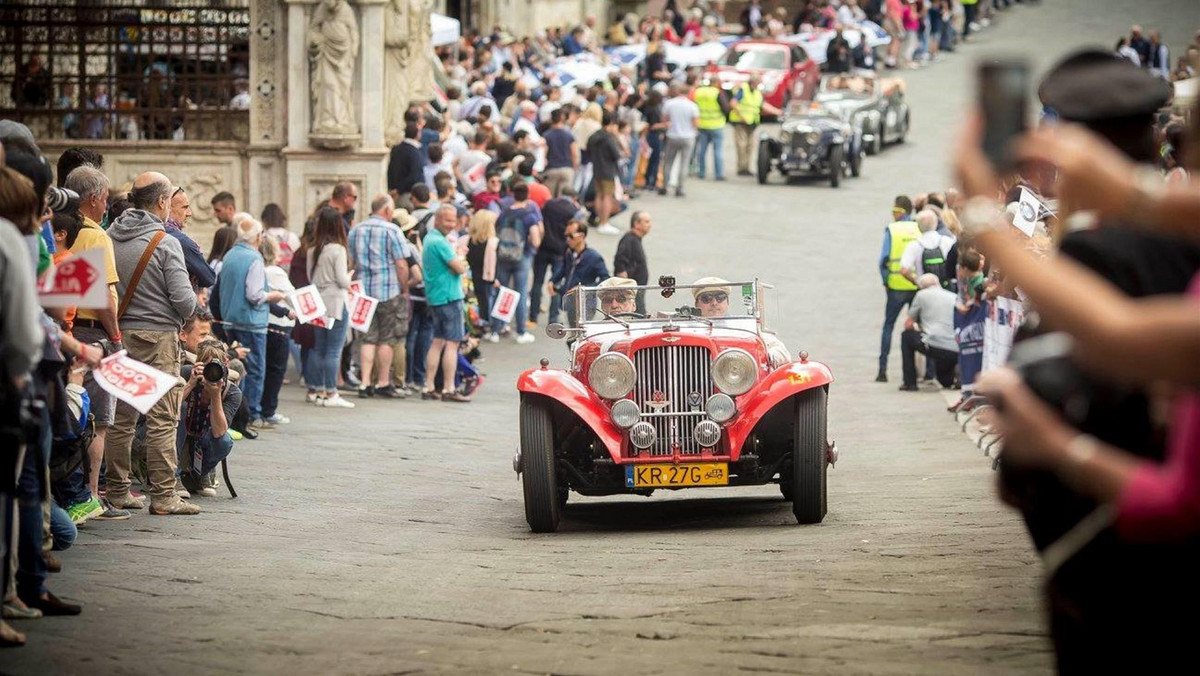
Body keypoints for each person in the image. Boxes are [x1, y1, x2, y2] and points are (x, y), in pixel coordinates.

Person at [105, 172, 199, 515]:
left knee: (122, 418)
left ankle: (117, 490)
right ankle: (163, 495)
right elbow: (185, 303)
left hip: (120, 336)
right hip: (159, 340)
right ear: (162, 202)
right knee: (162, 417)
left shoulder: (109, 236)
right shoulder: (165, 242)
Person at [61, 166, 127, 518]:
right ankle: (89, 496)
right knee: (98, 420)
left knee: (69, 412)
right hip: (93, 332)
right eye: (103, 198)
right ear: (93, 199)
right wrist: (114, 337)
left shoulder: (59, 230)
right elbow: (104, 296)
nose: (106, 205)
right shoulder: (96, 236)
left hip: (66, 328)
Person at [217, 217, 286, 429]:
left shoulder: (229, 255)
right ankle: (252, 413)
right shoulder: (254, 259)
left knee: (240, 369)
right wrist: (272, 295)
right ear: (257, 237)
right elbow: (254, 295)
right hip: (252, 322)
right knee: (255, 370)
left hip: (230, 319)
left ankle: (237, 413)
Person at [347, 194, 410, 399]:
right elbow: (401, 264)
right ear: (387, 210)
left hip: (364, 293)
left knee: (367, 339)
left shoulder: (356, 230)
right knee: (387, 338)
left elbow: (351, 263)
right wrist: (404, 287)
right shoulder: (392, 230)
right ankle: (383, 381)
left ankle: (365, 382)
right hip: (388, 290)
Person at [305, 206, 354, 408]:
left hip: (319, 302)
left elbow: (310, 277)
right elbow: (342, 280)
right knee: (334, 350)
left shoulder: (312, 249)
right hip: (335, 301)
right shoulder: (338, 249)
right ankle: (331, 391)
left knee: (319, 348)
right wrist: (351, 277)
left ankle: (317, 389)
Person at [422, 205, 471, 402]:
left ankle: (429, 385)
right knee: (452, 343)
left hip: (435, 297)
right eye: (448, 220)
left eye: (453, 220)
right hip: (449, 297)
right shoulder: (440, 243)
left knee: (437, 341)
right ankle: (449, 388)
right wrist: (458, 261)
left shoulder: (428, 238)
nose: (451, 225)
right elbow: (459, 267)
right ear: (438, 220)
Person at [176, 340, 238, 495]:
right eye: (207, 367)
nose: (212, 372)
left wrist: (215, 395)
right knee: (182, 407)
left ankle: (199, 475)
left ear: (226, 365)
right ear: (198, 365)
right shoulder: (187, 373)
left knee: (225, 441)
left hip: (202, 441)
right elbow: (169, 410)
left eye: (216, 367)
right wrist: (190, 384)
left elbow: (219, 433)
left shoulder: (232, 392)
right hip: (177, 437)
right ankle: (173, 476)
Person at [492, 182, 543, 343]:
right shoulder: (529, 214)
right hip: (522, 257)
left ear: (513, 194)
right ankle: (521, 331)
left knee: (502, 292)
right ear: (528, 195)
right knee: (520, 293)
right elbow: (535, 239)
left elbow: (496, 229)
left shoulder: (504, 212)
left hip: (503, 256)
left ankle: (495, 329)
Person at [876, 195, 919, 382]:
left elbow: (883, 261)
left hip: (895, 286)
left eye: (895, 212)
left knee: (888, 326)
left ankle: (882, 370)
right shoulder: (920, 227)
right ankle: (924, 373)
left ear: (901, 212)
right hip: (916, 285)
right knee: (920, 326)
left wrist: (886, 281)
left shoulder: (892, 230)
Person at [898, 273, 957, 391]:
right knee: (945, 382)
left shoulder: (921, 295)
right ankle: (954, 379)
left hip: (933, 345)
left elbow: (908, 324)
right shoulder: (953, 296)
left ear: (921, 287)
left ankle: (910, 383)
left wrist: (919, 327)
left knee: (906, 336)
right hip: (954, 348)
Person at [551, 220, 610, 325]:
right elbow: (564, 270)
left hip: (585, 304)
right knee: (573, 333)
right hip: (571, 301)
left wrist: (584, 288)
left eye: (571, 236)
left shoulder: (594, 257)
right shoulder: (569, 253)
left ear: (582, 236)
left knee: (580, 333)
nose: (568, 239)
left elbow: (606, 279)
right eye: (566, 236)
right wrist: (552, 281)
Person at [729, 74, 780, 177]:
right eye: (758, 83)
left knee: (750, 146)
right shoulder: (743, 90)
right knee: (741, 145)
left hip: (752, 124)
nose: (759, 85)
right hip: (741, 123)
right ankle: (741, 168)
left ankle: (746, 168)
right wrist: (741, 116)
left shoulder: (757, 93)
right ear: (753, 82)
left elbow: (763, 105)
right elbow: (733, 103)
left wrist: (778, 111)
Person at [166, 186, 216, 291]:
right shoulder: (180, 240)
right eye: (184, 207)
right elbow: (209, 277)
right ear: (168, 208)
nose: (189, 213)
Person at [586, 110, 625, 235]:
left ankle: (599, 219)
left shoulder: (594, 136)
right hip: (608, 170)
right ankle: (604, 222)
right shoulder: (608, 138)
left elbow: (588, 149)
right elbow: (616, 154)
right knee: (607, 196)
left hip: (597, 168)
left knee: (599, 195)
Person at [661, 82, 700, 197]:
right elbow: (695, 123)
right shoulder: (692, 105)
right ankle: (680, 188)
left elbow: (664, 119)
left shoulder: (669, 104)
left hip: (673, 135)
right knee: (684, 163)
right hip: (687, 136)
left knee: (668, 162)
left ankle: (665, 186)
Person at [899, 209, 955, 288]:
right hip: (946, 288)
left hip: (925, 290)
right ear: (935, 223)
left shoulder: (914, 245)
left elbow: (904, 271)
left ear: (918, 226)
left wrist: (917, 283)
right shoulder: (948, 241)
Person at [466, 210, 499, 340]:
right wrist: (494, 279)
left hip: (470, 279)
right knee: (486, 303)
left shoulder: (466, 240)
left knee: (477, 304)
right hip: (486, 279)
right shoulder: (493, 242)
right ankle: (487, 327)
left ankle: (479, 327)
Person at [614, 210, 651, 315]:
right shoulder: (629, 240)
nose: (650, 225)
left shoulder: (635, 239)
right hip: (632, 291)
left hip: (637, 289)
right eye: (646, 222)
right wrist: (623, 284)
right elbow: (620, 261)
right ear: (637, 224)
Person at [692, 78, 729, 182]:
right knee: (718, 150)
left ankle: (701, 172)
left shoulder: (698, 92)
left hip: (702, 125)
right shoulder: (717, 93)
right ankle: (719, 174)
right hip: (716, 125)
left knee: (702, 150)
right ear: (716, 83)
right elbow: (726, 108)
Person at [387, 122, 425, 209]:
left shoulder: (396, 149)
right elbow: (414, 176)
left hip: (396, 195)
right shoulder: (414, 152)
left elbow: (390, 171)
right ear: (417, 134)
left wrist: (392, 189)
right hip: (409, 196)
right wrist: (399, 190)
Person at [542, 107, 578, 198]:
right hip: (567, 168)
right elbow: (575, 154)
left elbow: (543, 154)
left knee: (549, 197)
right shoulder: (569, 135)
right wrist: (574, 168)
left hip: (551, 169)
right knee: (564, 198)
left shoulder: (546, 135)